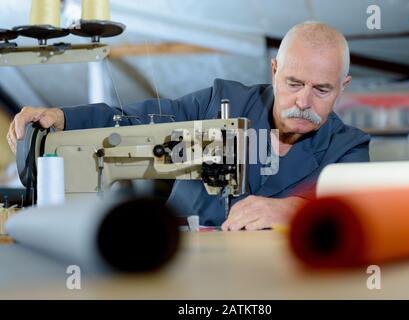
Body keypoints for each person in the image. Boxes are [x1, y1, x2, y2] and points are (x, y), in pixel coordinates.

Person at [6, 21, 370, 230]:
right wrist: (64, 117)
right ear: (274, 71)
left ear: (343, 87)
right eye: (294, 83)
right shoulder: (218, 101)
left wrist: (293, 210)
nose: (304, 102)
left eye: (322, 89)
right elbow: (136, 118)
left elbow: (359, 215)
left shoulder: (348, 148)